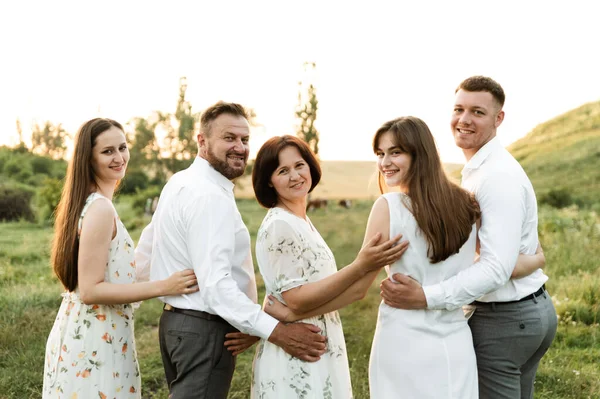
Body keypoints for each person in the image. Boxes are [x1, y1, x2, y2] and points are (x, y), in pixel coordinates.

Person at [134, 102, 337, 399]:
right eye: (229, 138)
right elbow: (215, 287)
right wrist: (275, 331)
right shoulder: (208, 196)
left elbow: (144, 257)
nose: (240, 147)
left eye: (244, 140)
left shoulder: (180, 182)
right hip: (203, 330)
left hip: (177, 325)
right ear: (202, 141)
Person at [380, 76, 557, 399]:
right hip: (524, 313)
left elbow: (495, 268)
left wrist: (426, 297)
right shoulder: (479, 171)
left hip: (505, 320)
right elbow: (506, 255)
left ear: (498, 118)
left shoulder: (496, 177)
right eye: (459, 109)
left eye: (477, 112)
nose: (464, 120)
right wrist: (534, 259)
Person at [42, 118, 198, 399]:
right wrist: (165, 286)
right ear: (88, 159)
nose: (119, 157)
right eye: (107, 151)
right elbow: (90, 290)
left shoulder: (94, 203)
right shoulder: (99, 208)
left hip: (95, 332)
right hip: (94, 339)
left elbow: (118, 273)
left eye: (122, 147)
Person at [248, 135, 408, 398]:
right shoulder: (280, 225)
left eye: (299, 165)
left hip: (319, 341)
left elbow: (353, 293)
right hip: (297, 351)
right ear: (269, 180)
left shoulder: (300, 221)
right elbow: (296, 300)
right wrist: (359, 266)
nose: (295, 176)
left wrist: (289, 314)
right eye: (282, 171)